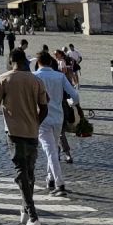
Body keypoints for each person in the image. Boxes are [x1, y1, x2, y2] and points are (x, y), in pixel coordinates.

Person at [0, 48, 49, 225]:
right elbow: (44, 107)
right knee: (29, 172)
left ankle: (34, 217)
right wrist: (36, 123)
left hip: (14, 132)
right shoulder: (36, 80)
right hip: (32, 132)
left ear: (11, 60)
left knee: (22, 173)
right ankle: (25, 210)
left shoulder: (3, 79)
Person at [33, 50, 80, 191]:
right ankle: (50, 179)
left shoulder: (34, 76)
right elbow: (74, 95)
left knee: (51, 150)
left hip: (42, 118)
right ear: (49, 62)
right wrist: (72, 104)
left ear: (38, 62)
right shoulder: (59, 76)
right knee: (52, 149)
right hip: (58, 118)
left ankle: (60, 183)